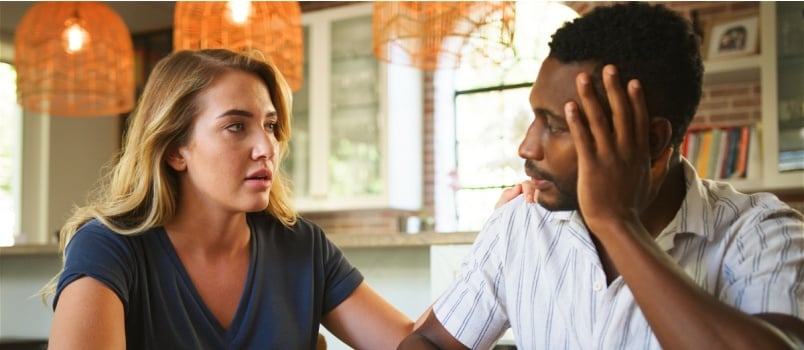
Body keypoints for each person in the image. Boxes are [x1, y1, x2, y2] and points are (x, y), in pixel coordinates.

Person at [400, 3, 804, 349]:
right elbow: (432, 341)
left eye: (556, 126)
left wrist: (616, 223)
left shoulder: (763, 232)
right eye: (535, 117)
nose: (526, 147)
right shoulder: (520, 225)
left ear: (651, 139)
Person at [44, 48, 414, 349]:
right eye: (236, 126)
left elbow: (410, 345)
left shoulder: (302, 247)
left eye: (269, 125)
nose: (266, 146)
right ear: (176, 151)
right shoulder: (109, 248)